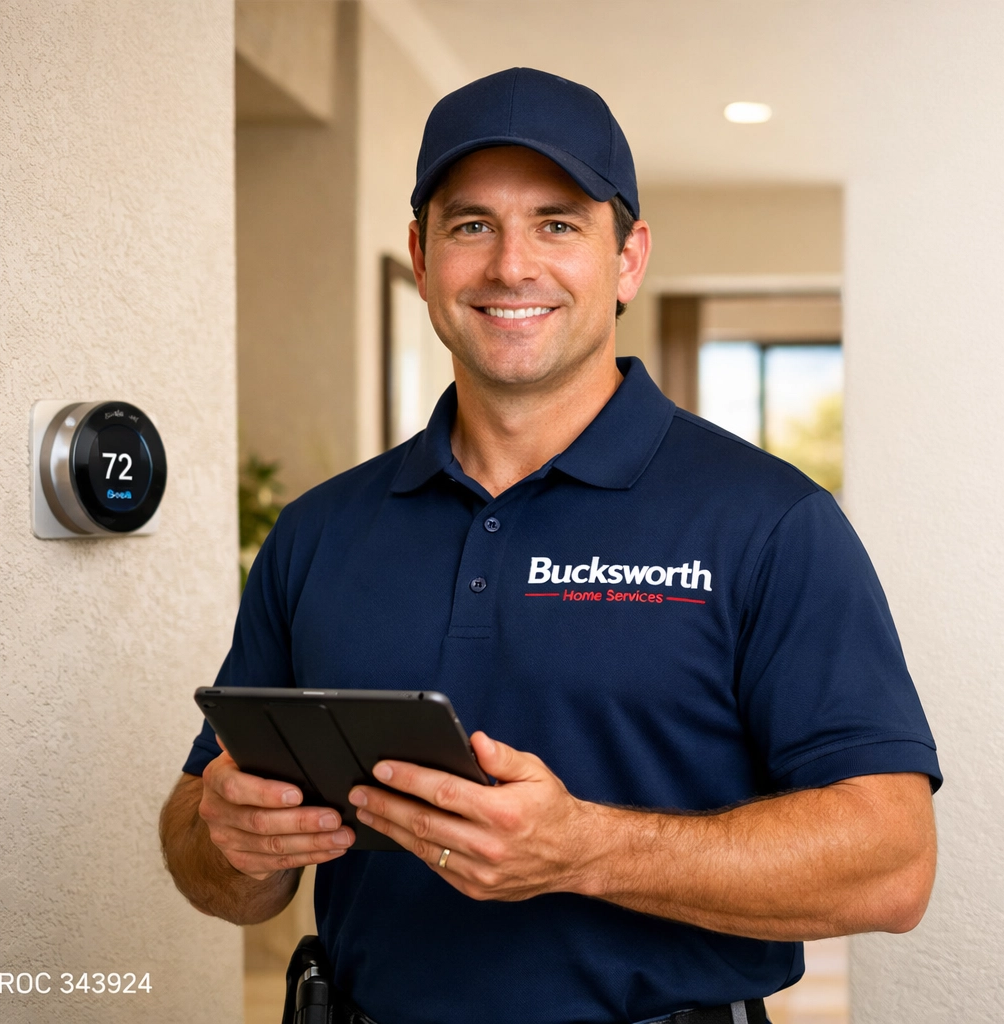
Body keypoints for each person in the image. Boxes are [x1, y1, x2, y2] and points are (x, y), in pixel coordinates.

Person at [160, 67, 941, 1024]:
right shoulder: (322, 531)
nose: (510, 267)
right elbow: (215, 866)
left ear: (627, 258)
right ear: (421, 253)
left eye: (558, 223)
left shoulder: (770, 522)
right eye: (471, 224)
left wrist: (586, 849)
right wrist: (229, 835)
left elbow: (894, 862)